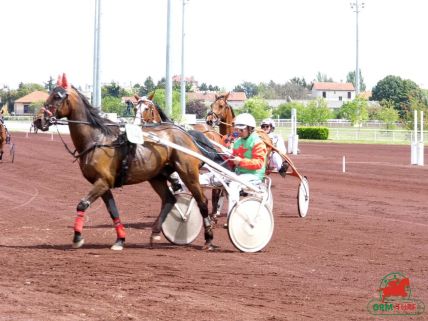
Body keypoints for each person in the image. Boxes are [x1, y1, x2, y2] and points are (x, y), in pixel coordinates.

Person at [225, 113, 268, 224]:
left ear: (250, 129)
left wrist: (241, 162)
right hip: (239, 174)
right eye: (237, 130)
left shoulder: (258, 143)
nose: (238, 132)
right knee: (217, 178)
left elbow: (259, 163)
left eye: (241, 130)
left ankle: (231, 219)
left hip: (254, 175)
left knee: (234, 185)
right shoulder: (237, 142)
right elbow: (232, 161)